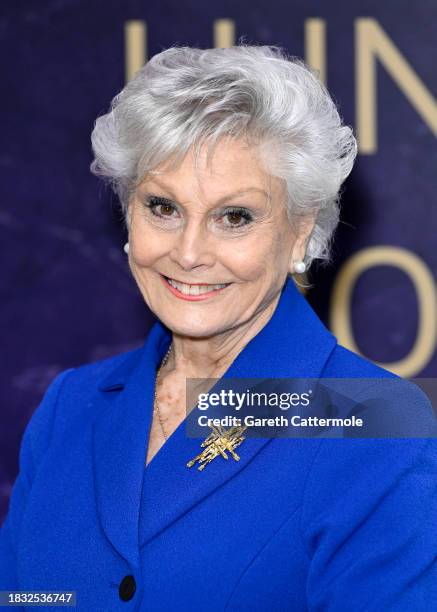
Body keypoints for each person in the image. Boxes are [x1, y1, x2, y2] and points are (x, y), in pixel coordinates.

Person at [1, 44, 436, 610]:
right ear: (128, 211)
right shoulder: (71, 405)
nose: (188, 253)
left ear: (300, 231)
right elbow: (30, 598)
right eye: (163, 207)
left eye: (235, 217)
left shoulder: (378, 424)